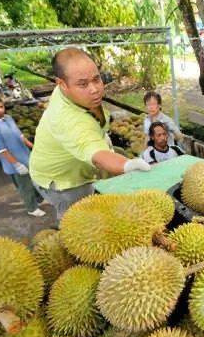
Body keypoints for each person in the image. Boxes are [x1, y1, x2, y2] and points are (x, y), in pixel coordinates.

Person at [29, 48, 151, 220]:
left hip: (70, 162)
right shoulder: (68, 119)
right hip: (63, 182)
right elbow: (96, 152)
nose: (94, 89)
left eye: (96, 79)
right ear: (61, 84)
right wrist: (127, 166)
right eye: (83, 84)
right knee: (80, 222)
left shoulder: (72, 92)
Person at [0, 92, 46, 217]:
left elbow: (20, 135)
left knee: (34, 180)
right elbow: (1, 149)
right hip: (13, 162)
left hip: (25, 156)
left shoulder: (8, 118)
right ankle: (31, 208)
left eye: (2, 106)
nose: (1, 110)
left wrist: (34, 147)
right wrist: (16, 164)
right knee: (25, 186)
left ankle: (39, 199)